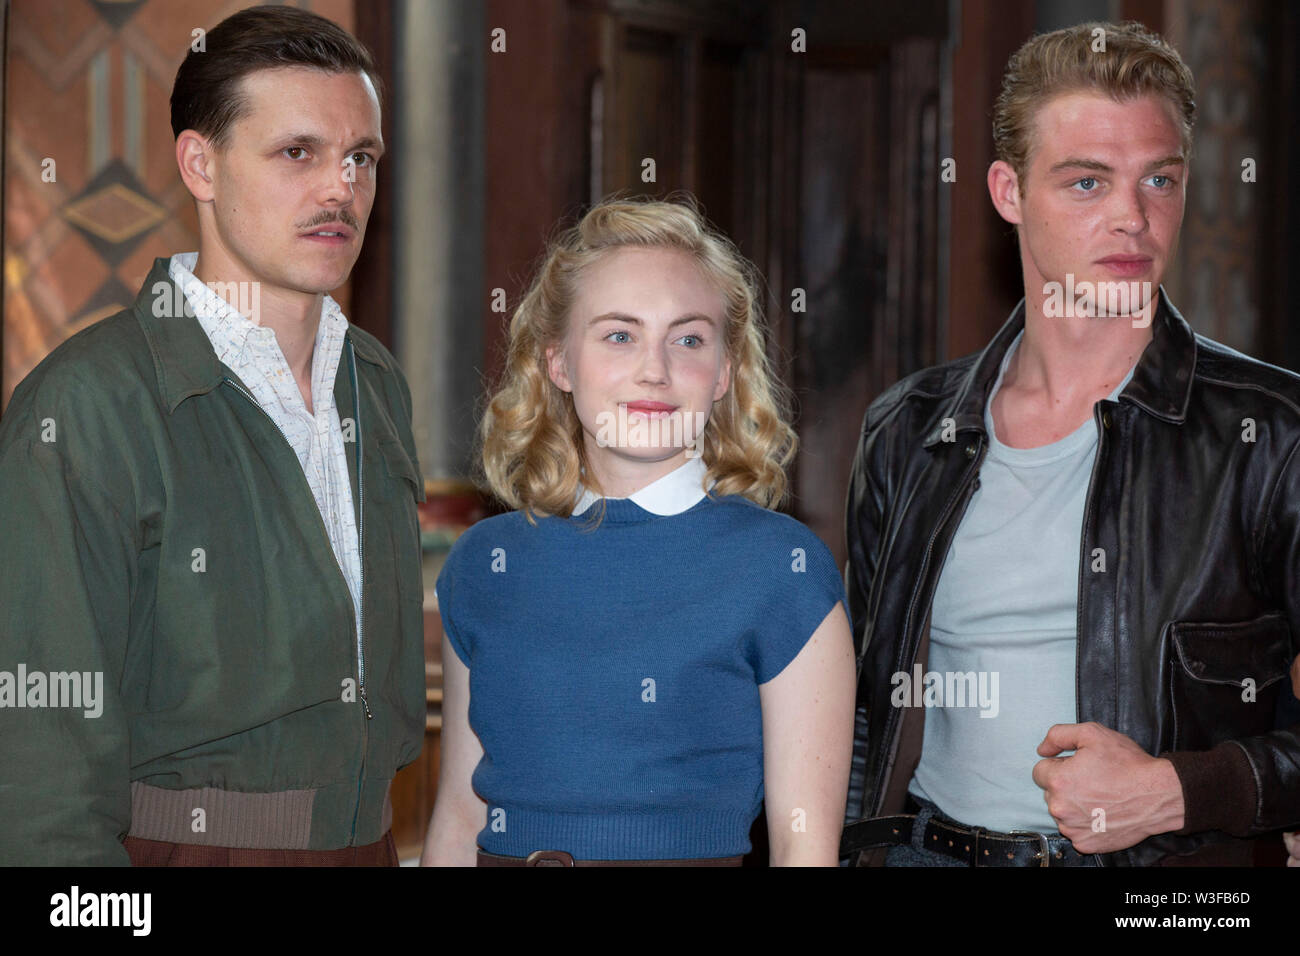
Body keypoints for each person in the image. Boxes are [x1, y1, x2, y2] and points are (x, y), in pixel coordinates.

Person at [841, 21, 1300, 867]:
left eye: (1159, 180)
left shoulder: (1272, 432)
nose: (1133, 217)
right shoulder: (908, 430)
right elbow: (862, 710)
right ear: (1008, 191)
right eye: (1087, 182)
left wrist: (1183, 788)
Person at [0, 6, 425, 865]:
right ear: (201, 163)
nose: (340, 188)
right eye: (297, 153)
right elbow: (39, 764)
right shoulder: (88, 402)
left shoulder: (374, 380)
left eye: (361, 158)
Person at [421, 196, 854, 866]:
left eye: (687, 339)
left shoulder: (782, 569)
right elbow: (458, 812)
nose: (655, 369)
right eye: (619, 335)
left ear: (724, 374)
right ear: (558, 363)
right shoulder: (485, 562)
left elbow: (805, 845)